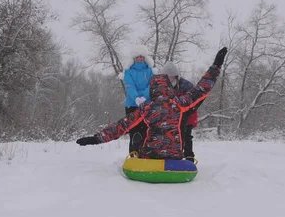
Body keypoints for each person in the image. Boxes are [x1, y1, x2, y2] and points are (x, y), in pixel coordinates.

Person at [76, 47, 228, 160]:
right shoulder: (179, 104)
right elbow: (202, 88)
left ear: (153, 89)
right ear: (168, 87)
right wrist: (216, 65)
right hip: (174, 156)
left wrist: (95, 139)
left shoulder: (146, 109)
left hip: (151, 156)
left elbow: (120, 127)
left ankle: (137, 151)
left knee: (136, 130)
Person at [118, 45, 158, 156]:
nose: (140, 59)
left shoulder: (151, 71)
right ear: (134, 58)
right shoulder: (128, 72)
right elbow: (129, 86)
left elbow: (152, 85)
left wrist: (144, 97)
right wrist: (136, 98)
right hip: (132, 104)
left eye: (142, 57)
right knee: (134, 129)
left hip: (147, 103)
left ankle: (145, 153)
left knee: (146, 129)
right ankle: (133, 152)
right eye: (138, 57)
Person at [161, 61, 198, 162]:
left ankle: (189, 157)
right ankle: (173, 156)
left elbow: (193, 101)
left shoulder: (186, 85)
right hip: (173, 117)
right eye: (167, 77)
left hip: (188, 115)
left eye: (171, 77)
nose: (169, 79)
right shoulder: (163, 86)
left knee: (186, 136)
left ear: (176, 76)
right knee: (172, 137)